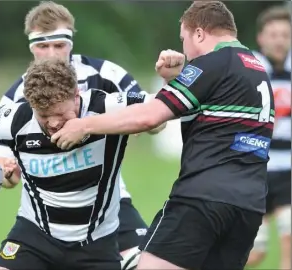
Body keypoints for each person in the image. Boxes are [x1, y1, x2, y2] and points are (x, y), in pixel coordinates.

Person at [50, 2, 276, 269]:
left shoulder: (211, 63)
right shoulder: (255, 67)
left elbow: (150, 116)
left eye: (184, 40)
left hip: (202, 199)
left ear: (200, 34)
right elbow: (213, 113)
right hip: (248, 206)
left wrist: (84, 126)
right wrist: (176, 79)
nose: (184, 50)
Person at [0, 58, 163, 270]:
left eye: (60, 113)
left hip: (95, 245)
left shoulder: (105, 107)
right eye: (43, 116)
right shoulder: (17, 120)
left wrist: (172, 77)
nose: (53, 123)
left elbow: (157, 113)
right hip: (35, 237)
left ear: (76, 95)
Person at [0, 2, 149, 268]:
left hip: (109, 202)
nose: (51, 54)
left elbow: (152, 120)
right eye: (42, 45)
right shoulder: (17, 97)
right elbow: (7, 175)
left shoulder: (106, 75)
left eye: (59, 44)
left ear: (71, 41)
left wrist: (88, 126)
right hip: (46, 219)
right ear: (30, 47)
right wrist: (1, 171)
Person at [247, 6, 291, 270]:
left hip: (288, 169)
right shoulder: (248, 69)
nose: (279, 40)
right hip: (256, 169)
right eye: (273, 34)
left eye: (285, 35)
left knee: (288, 233)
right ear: (261, 38)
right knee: (255, 254)